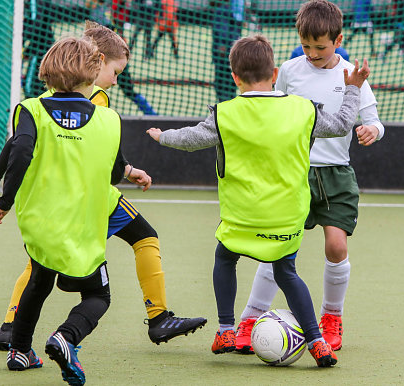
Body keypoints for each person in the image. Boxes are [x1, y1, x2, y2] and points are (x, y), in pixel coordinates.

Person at [147, 34, 370, 367]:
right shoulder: (302, 110)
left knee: (225, 258)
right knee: (286, 272)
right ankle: (317, 340)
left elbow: (191, 139)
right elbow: (340, 126)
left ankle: (225, 329)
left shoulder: (225, 114)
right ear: (275, 73)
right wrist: (352, 88)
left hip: (242, 217)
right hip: (286, 217)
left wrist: (163, 137)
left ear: (235, 77)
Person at [0, 21, 206, 352]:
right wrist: (126, 170)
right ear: (98, 61)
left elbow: (17, 142)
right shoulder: (95, 99)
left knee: (40, 263)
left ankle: (10, 328)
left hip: (60, 198)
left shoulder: (46, 97)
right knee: (142, 239)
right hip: (90, 196)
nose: (116, 81)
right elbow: (101, 155)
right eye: (116, 72)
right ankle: (159, 317)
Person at [233, 0, 384, 355]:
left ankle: (332, 317)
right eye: (306, 45)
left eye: (321, 46)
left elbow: (374, 119)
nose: (313, 53)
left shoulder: (351, 75)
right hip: (292, 174)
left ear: (338, 40)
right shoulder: (287, 70)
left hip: (336, 176)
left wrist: (371, 131)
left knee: (336, 246)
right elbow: (267, 104)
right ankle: (249, 320)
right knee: (278, 249)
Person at [0, 35, 123, 385]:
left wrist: (4, 203)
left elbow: (19, 154)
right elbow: (113, 173)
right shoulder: (109, 120)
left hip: (41, 228)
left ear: (46, 72)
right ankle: (66, 336)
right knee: (98, 294)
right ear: (92, 73)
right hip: (82, 230)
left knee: (39, 278)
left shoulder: (31, 109)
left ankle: (20, 351)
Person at [87, 0, 158, 115]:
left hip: (112, 59)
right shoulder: (103, 11)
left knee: (127, 91)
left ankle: (152, 114)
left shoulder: (100, 13)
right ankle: (152, 114)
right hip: (114, 57)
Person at [210, 0, 244, 102]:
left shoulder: (222, 11)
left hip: (224, 54)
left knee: (222, 81)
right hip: (230, 53)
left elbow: (222, 30)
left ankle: (225, 102)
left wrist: (222, 44)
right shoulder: (234, 11)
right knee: (229, 81)